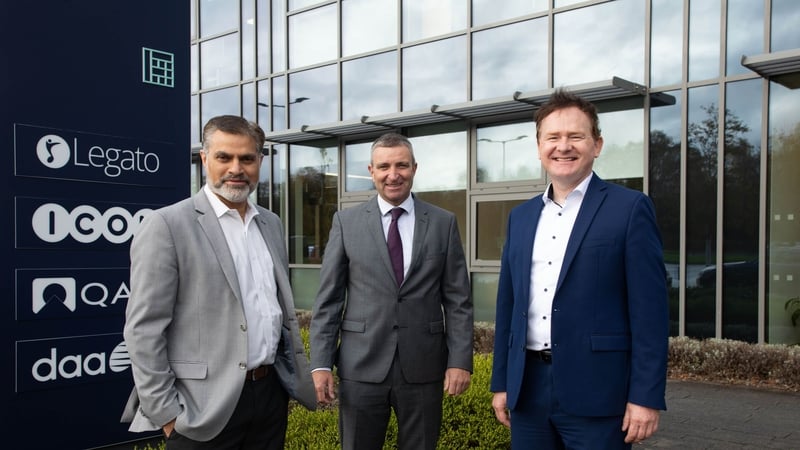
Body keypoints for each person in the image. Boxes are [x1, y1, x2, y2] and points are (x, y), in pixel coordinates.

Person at [121, 115, 316, 449]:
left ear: (260, 161)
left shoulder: (270, 223)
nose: (236, 168)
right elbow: (144, 329)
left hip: (269, 395)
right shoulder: (167, 225)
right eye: (224, 157)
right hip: (201, 407)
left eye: (247, 158)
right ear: (204, 158)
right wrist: (168, 415)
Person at [490, 90, 669, 449]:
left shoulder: (630, 208)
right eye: (552, 137)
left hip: (599, 391)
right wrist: (502, 382)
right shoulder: (521, 217)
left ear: (597, 144)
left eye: (575, 136)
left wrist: (645, 396)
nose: (563, 146)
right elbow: (507, 306)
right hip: (528, 390)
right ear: (539, 146)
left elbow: (650, 313)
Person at [309, 132, 474, 450]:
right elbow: (329, 300)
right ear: (371, 171)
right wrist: (321, 364)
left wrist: (460, 361)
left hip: (424, 366)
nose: (393, 174)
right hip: (360, 365)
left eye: (401, 165)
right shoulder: (346, 222)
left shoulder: (443, 223)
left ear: (415, 168)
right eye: (384, 166)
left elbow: (458, 301)